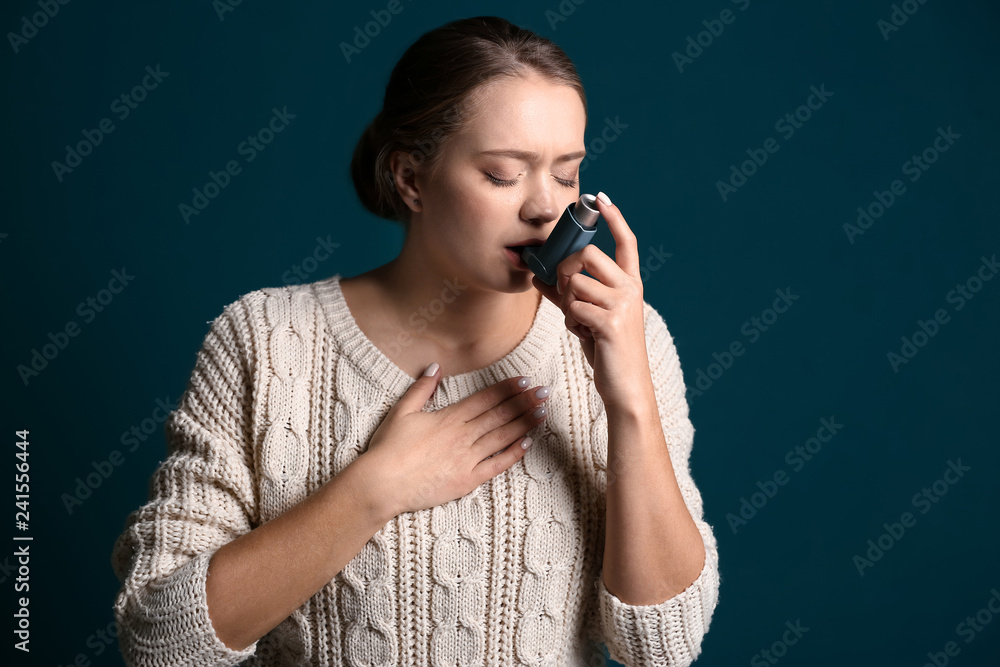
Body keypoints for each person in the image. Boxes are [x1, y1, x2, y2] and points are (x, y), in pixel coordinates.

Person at [110, 15, 719, 667]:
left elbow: (663, 646)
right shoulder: (263, 340)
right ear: (410, 178)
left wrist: (630, 402)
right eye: (504, 174)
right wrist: (374, 490)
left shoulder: (628, 339)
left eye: (567, 174)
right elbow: (158, 642)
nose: (546, 207)